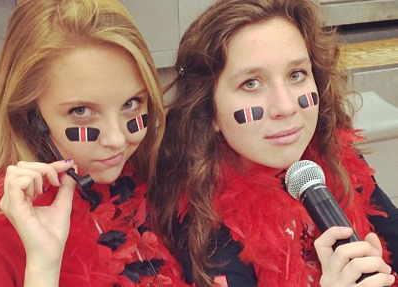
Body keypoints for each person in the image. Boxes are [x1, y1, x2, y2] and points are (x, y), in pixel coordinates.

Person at [149, 0, 398, 286]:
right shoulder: (203, 221)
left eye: (296, 75)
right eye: (251, 83)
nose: (285, 106)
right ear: (209, 109)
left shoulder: (336, 161)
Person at [0, 0, 189, 286]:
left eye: (131, 103)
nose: (116, 139)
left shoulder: (142, 176)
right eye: (81, 111)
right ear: (29, 114)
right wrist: (43, 268)